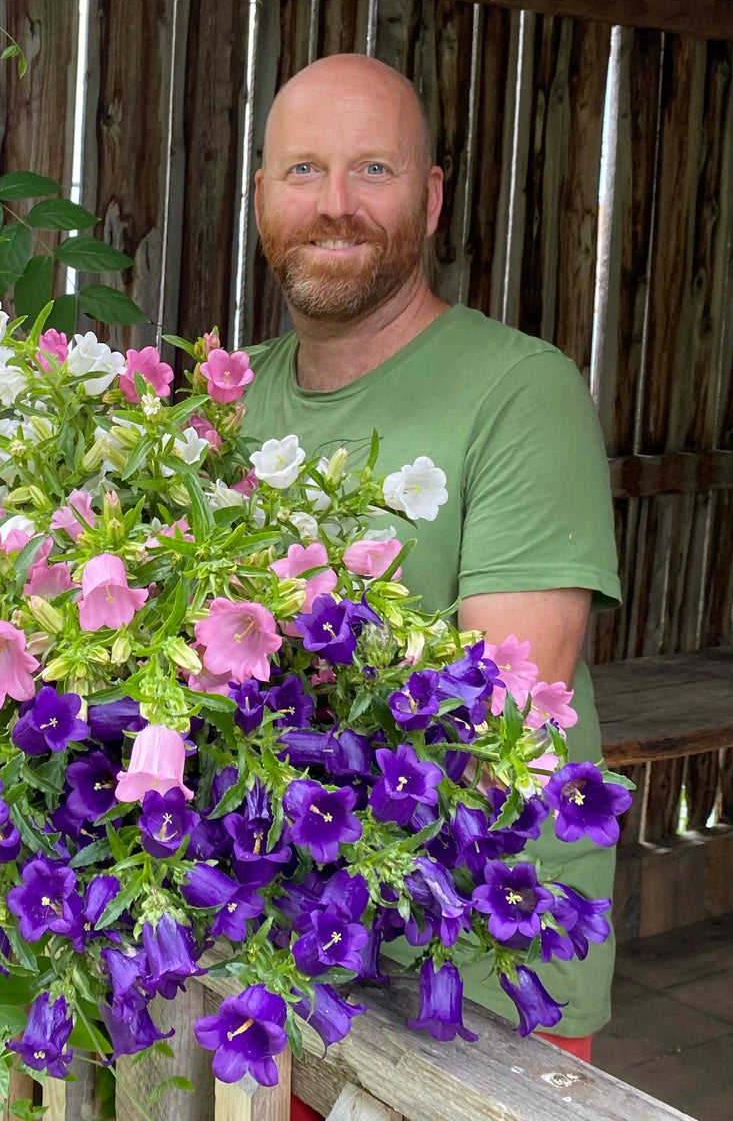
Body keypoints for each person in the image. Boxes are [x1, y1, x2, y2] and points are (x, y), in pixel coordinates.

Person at [239, 53, 622, 1079]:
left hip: (470, 976)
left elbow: (501, 719)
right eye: (303, 170)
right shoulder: (222, 400)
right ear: (261, 197)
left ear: (431, 198)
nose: (334, 203)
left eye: (373, 169)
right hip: (267, 963)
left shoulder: (519, 394)